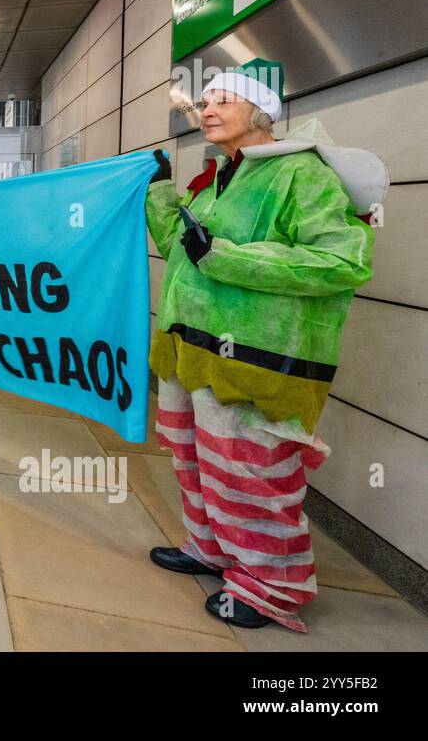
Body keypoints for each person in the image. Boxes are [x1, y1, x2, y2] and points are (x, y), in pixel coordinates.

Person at [145, 58, 385, 632]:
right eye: (204, 101)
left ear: (262, 112)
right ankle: (211, 548)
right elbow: (185, 249)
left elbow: (340, 260)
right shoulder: (220, 175)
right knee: (196, 460)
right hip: (190, 351)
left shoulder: (301, 174)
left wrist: (227, 256)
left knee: (250, 473)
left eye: (223, 100)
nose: (206, 110)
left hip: (252, 360)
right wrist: (158, 193)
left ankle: (270, 586)